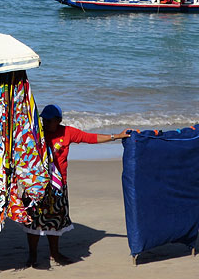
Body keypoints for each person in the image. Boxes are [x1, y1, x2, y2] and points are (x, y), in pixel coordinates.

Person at [24, 104, 130, 268]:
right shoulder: (36, 133)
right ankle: (32, 255)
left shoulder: (67, 132)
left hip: (58, 185)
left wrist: (117, 136)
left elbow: (91, 138)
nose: (45, 123)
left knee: (55, 221)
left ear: (58, 120)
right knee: (33, 221)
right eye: (43, 119)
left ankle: (55, 253)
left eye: (49, 120)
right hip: (37, 184)